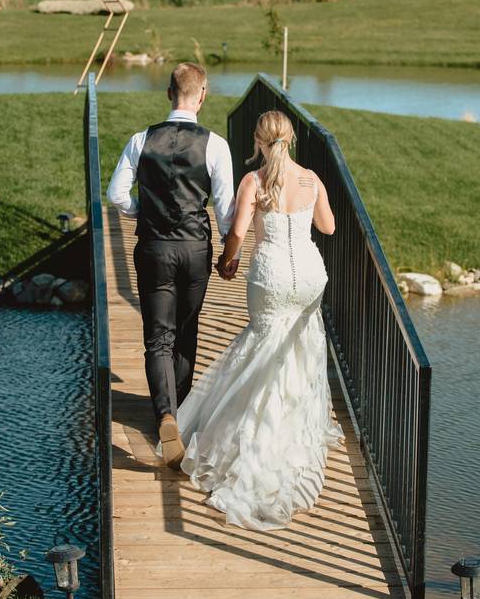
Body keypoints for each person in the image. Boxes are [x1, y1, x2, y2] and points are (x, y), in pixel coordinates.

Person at [171, 110, 344, 530]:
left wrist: (227, 261)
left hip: (270, 277)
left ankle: (254, 443)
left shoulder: (254, 182)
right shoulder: (311, 180)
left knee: (261, 346)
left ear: (258, 142)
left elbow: (238, 230)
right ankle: (291, 429)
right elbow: (329, 226)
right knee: (299, 349)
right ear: (292, 140)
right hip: (307, 278)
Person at [106, 63, 237, 469]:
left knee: (157, 337)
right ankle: (178, 414)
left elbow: (115, 195)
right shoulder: (215, 144)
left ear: (168, 93)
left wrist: (142, 211)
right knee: (185, 332)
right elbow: (227, 211)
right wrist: (228, 255)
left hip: (154, 248)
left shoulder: (140, 139)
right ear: (203, 95)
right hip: (195, 249)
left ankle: (164, 414)